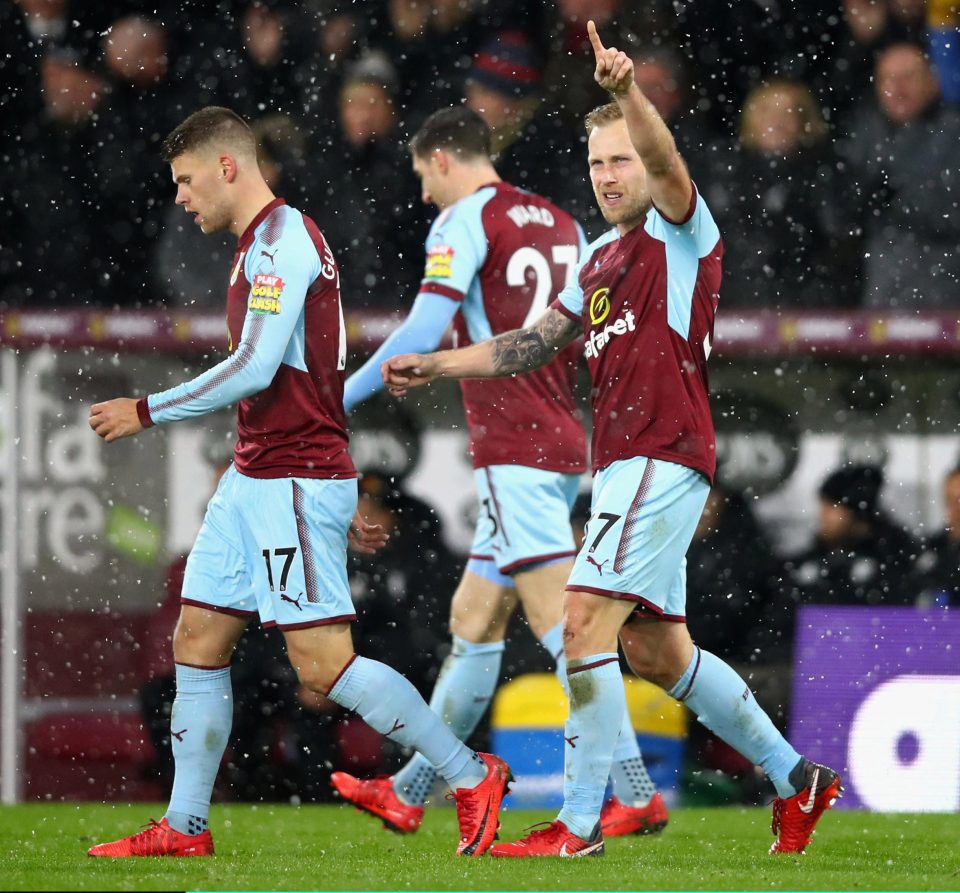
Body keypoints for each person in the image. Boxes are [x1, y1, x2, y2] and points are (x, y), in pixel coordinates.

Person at [382, 21, 842, 858]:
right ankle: (795, 775)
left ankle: (579, 825)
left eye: (619, 159)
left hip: (661, 457)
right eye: (597, 164)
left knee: (583, 624)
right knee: (658, 650)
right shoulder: (596, 257)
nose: (607, 175)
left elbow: (668, 165)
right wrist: (441, 363)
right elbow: (535, 341)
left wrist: (626, 93)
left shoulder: (680, 232)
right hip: (631, 465)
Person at [85, 106, 511, 859]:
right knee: (198, 637)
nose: (181, 199)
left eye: (186, 181)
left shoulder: (282, 242)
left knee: (323, 665)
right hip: (258, 473)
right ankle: (185, 825)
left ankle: (469, 772)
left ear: (227, 166)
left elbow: (255, 366)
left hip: (293, 476)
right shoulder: (260, 245)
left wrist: (145, 409)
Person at [332, 104, 668, 840]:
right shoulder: (562, 221)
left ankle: (636, 788)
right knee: (474, 622)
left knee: (568, 633)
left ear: (445, 159)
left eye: (423, 176)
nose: (423, 195)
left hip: (514, 447)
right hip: (558, 438)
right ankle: (411, 789)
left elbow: (424, 329)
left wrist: (337, 396)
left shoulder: (462, 222)